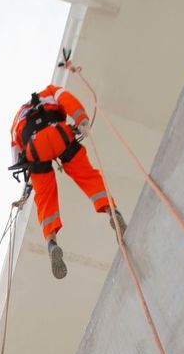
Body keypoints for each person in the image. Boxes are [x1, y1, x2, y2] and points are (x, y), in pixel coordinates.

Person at [10, 85, 127, 279]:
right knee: (88, 176)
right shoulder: (50, 92)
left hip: (35, 149)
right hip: (59, 134)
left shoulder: (16, 119)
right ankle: (112, 213)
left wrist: (27, 182)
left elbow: (16, 157)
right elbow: (67, 99)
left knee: (45, 200)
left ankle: (51, 243)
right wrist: (82, 120)